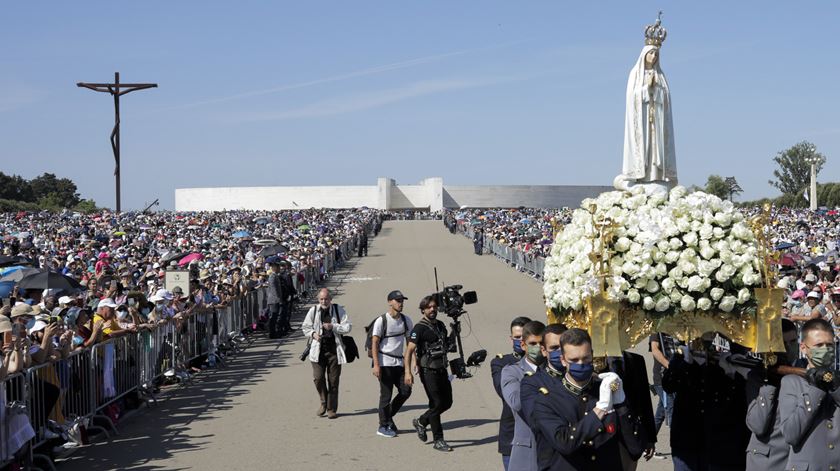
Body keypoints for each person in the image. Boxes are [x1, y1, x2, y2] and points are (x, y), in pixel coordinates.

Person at [531, 328, 642, 469]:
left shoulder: (606, 391)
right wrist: (599, 410)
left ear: (592, 356)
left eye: (586, 358)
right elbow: (565, 443)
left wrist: (621, 405)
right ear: (563, 360)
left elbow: (635, 448)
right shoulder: (547, 400)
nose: (581, 364)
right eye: (574, 360)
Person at [779, 318, 840, 470]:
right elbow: (791, 434)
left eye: (829, 345)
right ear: (804, 348)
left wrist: (835, 388)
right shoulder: (791, 382)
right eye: (819, 345)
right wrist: (816, 388)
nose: (825, 350)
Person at [745, 319, 803, 471]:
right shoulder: (757, 375)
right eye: (784, 343)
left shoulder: (805, 369)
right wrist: (769, 384)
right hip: (768, 462)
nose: (790, 347)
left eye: (794, 341)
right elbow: (758, 425)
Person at [405, 295, 454, 452]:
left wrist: (454, 332)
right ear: (423, 310)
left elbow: (448, 345)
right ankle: (438, 440)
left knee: (447, 402)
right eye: (429, 307)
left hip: (442, 368)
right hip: (428, 371)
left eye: (434, 307)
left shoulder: (440, 325)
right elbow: (409, 350)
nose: (432, 309)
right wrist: (408, 371)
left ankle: (421, 421)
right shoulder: (419, 329)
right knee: (436, 403)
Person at [521, 322, 567, 471]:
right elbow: (536, 422)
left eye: (563, 347)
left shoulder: (588, 380)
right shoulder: (532, 382)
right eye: (554, 348)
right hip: (553, 462)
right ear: (544, 350)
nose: (559, 352)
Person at [500, 320, 545, 471]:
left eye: (541, 343)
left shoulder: (556, 370)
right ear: (523, 345)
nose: (538, 348)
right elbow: (517, 403)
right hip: (528, 450)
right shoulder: (512, 371)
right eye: (533, 343)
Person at [301, 288, 351, 419]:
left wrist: (333, 326)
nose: (324, 301)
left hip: (334, 351)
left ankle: (331, 408)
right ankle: (323, 401)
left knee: (333, 381)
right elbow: (305, 327)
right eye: (321, 299)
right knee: (318, 378)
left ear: (331, 299)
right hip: (317, 350)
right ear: (318, 299)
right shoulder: (313, 311)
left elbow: (347, 327)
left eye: (326, 299)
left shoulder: (338, 310)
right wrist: (313, 334)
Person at [370, 290, 414, 438]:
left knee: (406, 391)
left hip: (399, 363)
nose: (401, 303)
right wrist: (376, 365)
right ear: (390, 302)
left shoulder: (406, 321)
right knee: (386, 395)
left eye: (402, 300)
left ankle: (388, 418)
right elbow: (374, 342)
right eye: (398, 300)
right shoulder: (382, 321)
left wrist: (414, 362)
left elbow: (410, 344)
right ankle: (382, 425)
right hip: (384, 363)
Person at [491, 316, 531, 470]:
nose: (520, 340)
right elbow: (504, 392)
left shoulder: (544, 363)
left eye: (523, 337)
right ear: (511, 338)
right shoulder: (501, 363)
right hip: (512, 434)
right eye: (516, 337)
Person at [648, 332, 674, 459]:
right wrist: (669, 365)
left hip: (675, 377)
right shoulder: (657, 331)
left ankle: (647, 443)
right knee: (671, 410)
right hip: (663, 379)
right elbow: (654, 349)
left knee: (660, 414)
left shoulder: (676, 328)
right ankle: (678, 447)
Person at [266, 259, 285, 339]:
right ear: (274, 268)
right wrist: (278, 299)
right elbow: (274, 290)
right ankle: (272, 333)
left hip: (275, 299)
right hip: (274, 300)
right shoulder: (272, 276)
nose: (279, 268)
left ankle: (274, 332)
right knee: (273, 317)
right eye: (277, 267)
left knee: (275, 316)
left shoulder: (275, 276)